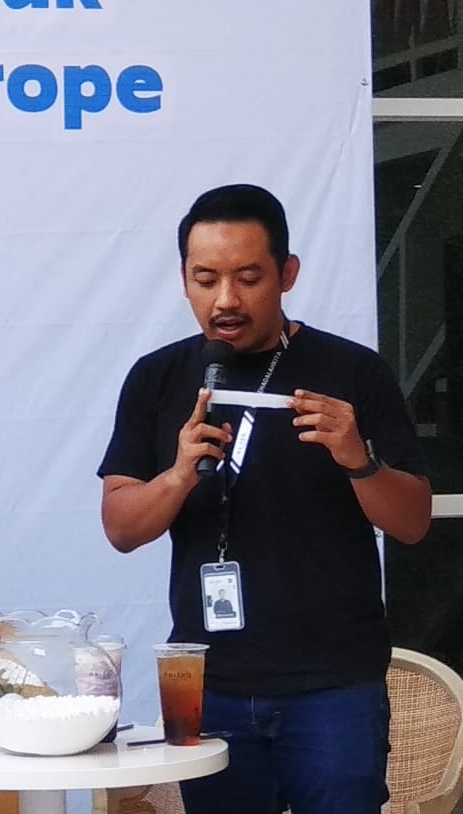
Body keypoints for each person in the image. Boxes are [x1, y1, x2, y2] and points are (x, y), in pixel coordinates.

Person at [98, 184, 431, 814]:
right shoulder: (157, 376)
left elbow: (412, 523)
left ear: (288, 274)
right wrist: (177, 476)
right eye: (205, 279)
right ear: (184, 279)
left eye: (249, 278)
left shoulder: (352, 371)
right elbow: (121, 526)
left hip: (334, 684)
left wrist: (358, 460)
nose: (225, 299)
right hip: (211, 683)